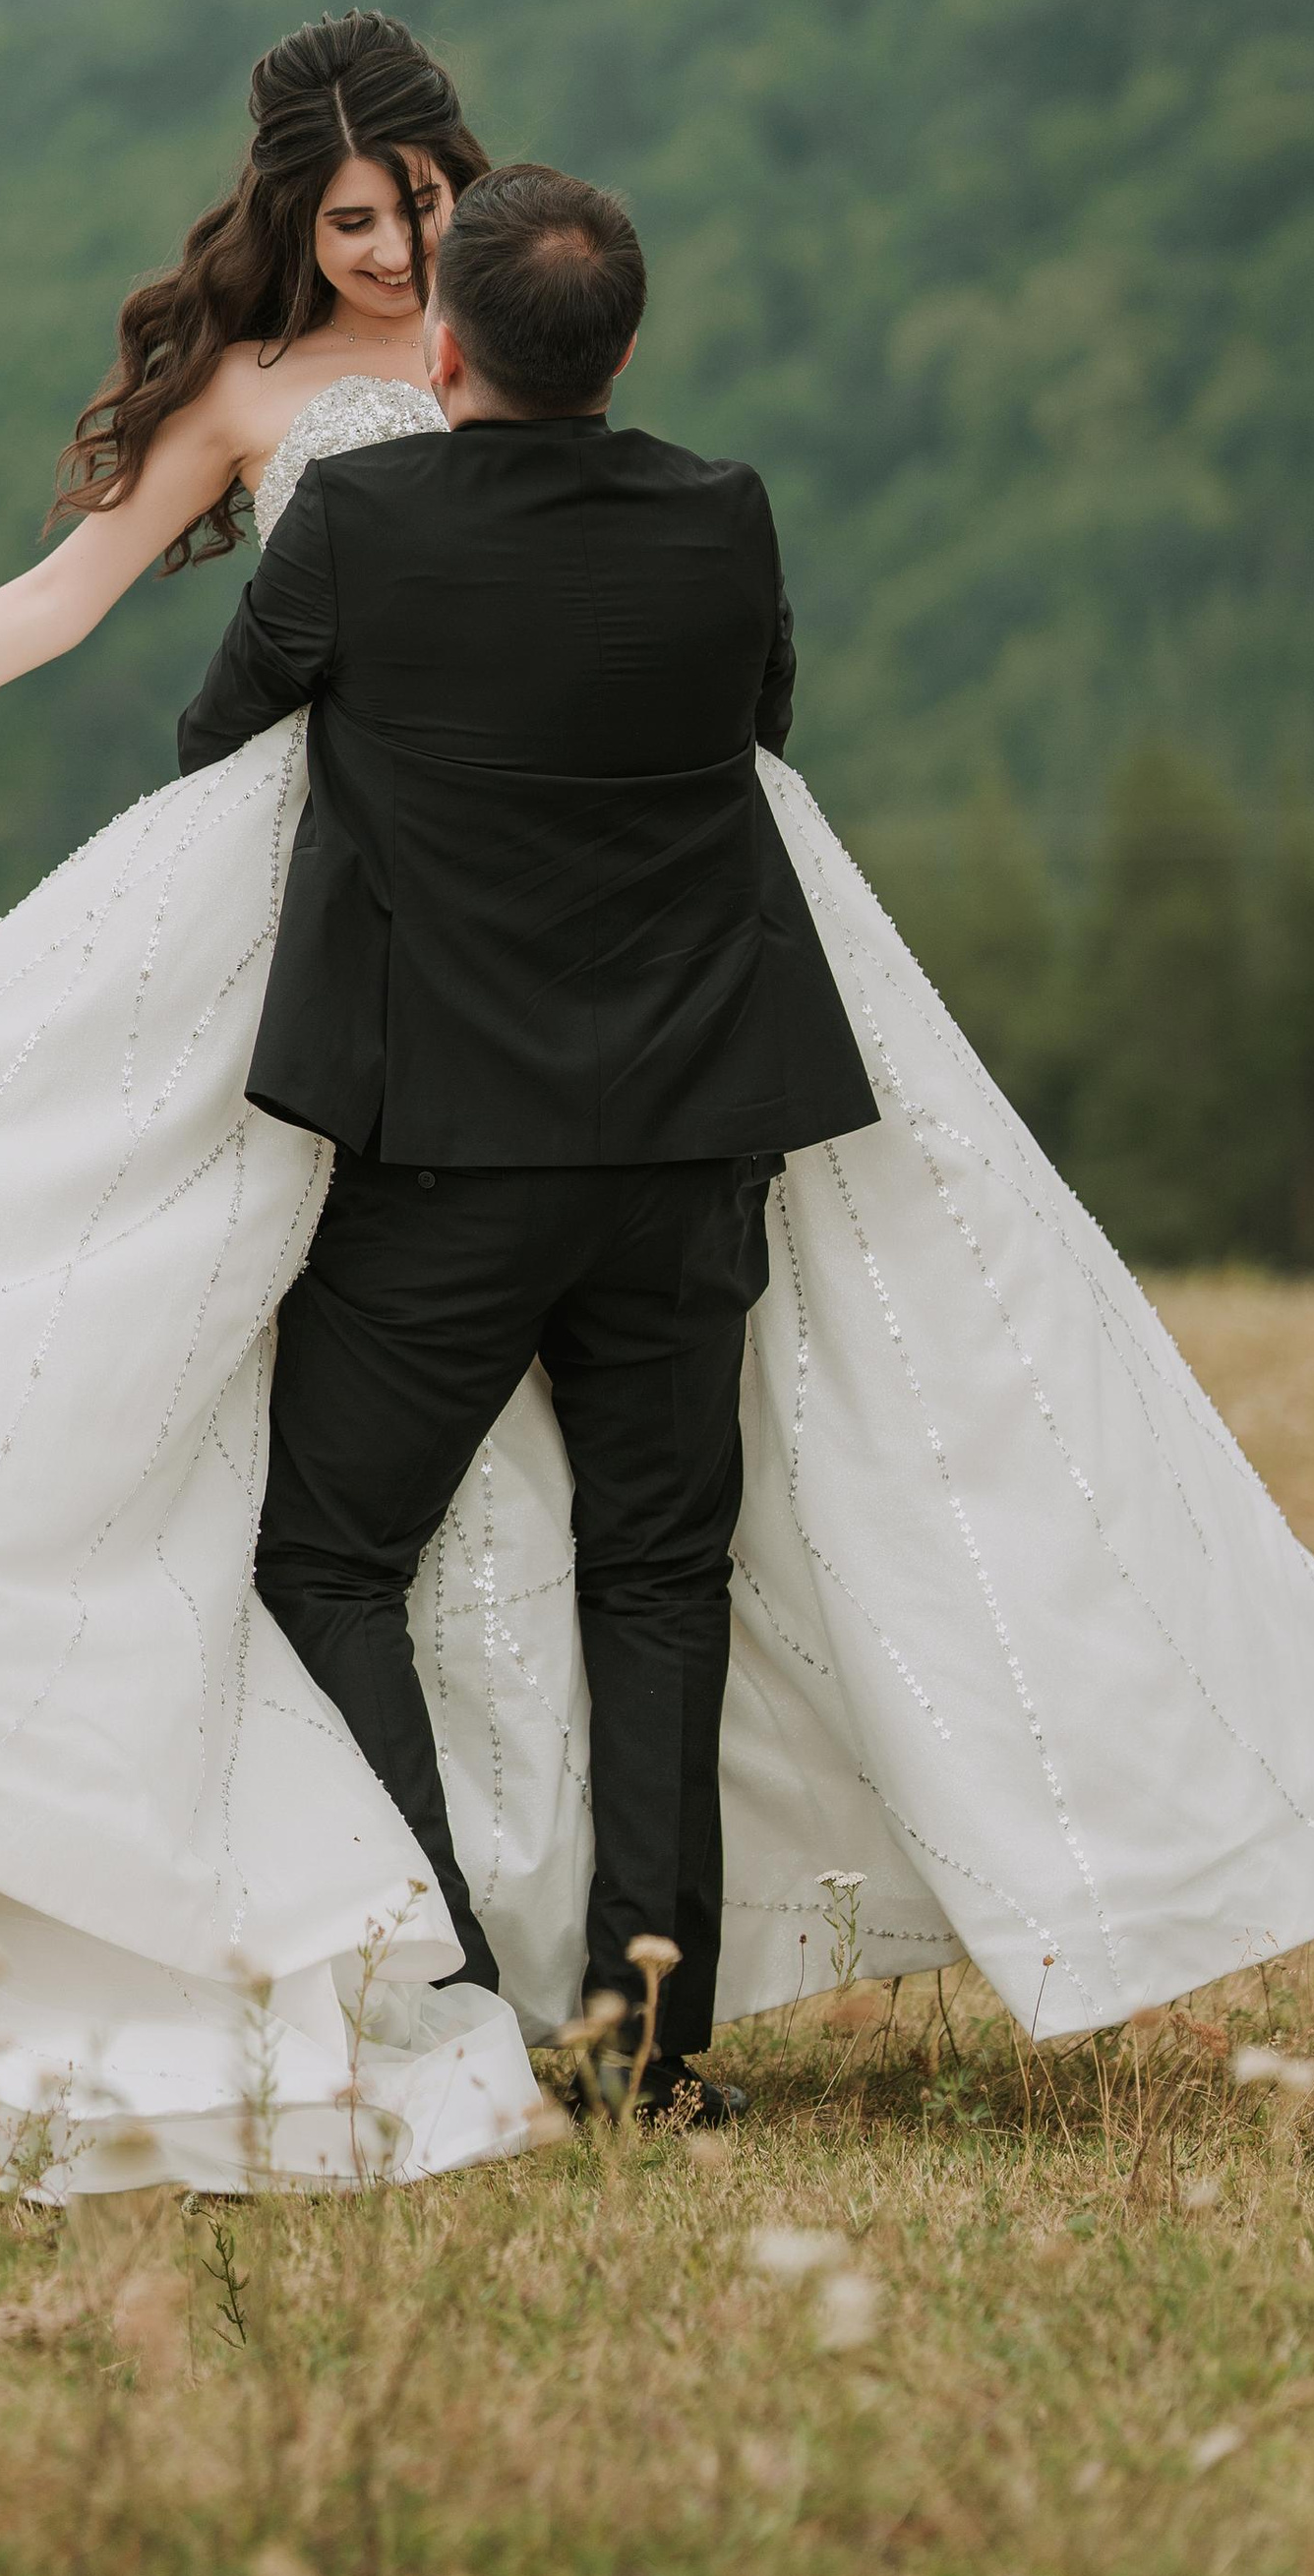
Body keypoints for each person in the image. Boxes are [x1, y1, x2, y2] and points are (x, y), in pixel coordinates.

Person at [0, 11, 1314, 2197]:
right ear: (294, 222)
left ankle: (534, 1992)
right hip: (480, 985)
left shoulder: (540, 449)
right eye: (353, 222)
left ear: (472, 245)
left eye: (421, 217)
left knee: (529, 1532)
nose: (392, 258)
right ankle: (532, 1991)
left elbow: (359, 704)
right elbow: (82, 598)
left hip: (496, 1007)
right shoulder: (387, 430)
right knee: (477, 1496)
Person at [176, 163, 877, 2122]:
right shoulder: (720, 516)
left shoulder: (364, 521)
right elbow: (761, 723)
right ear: (624, 354)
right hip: (686, 1144)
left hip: (446, 1156)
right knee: (657, 1578)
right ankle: (649, 2054)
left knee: (325, 1550)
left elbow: (217, 735)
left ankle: (445, 1999)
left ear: (440, 345)